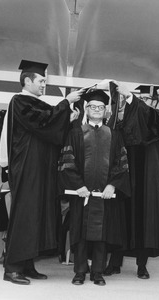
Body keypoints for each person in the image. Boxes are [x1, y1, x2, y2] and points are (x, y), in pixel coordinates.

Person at [0, 60, 83, 285]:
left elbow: (52, 128)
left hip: (40, 168)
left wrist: (68, 118)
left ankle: (27, 265)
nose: (44, 84)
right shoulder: (20, 101)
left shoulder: (37, 103)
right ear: (27, 81)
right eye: (41, 80)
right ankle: (13, 268)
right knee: (24, 216)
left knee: (36, 215)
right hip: (27, 168)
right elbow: (44, 121)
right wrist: (66, 102)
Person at [99, 81, 159, 279]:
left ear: (155, 102)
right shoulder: (124, 118)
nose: (144, 102)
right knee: (120, 218)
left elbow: (146, 118)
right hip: (124, 175)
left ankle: (142, 266)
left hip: (146, 177)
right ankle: (114, 263)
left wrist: (132, 98)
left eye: (148, 99)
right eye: (143, 99)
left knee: (143, 219)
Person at [58, 90, 130, 286]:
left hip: (104, 195)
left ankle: (97, 272)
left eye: (100, 107)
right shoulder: (75, 133)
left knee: (102, 235)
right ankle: (80, 271)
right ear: (86, 109)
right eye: (92, 107)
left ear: (106, 111)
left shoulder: (114, 135)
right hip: (81, 193)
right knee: (79, 233)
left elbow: (121, 164)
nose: (96, 110)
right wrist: (78, 185)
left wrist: (112, 185)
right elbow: (66, 162)